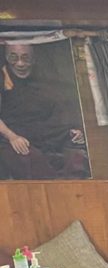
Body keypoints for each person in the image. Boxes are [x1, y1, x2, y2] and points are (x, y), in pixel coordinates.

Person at [0, 42, 89, 180]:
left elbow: (63, 110)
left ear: (34, 59)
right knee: (31, 159)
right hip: (15, 138)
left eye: (25, 58)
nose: (20, 64)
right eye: (14, 58)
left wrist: (77, 130)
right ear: (6, 58)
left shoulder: (45, 81)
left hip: (48, 136)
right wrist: (12, 136)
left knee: (77, 157)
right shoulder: (3, 81)